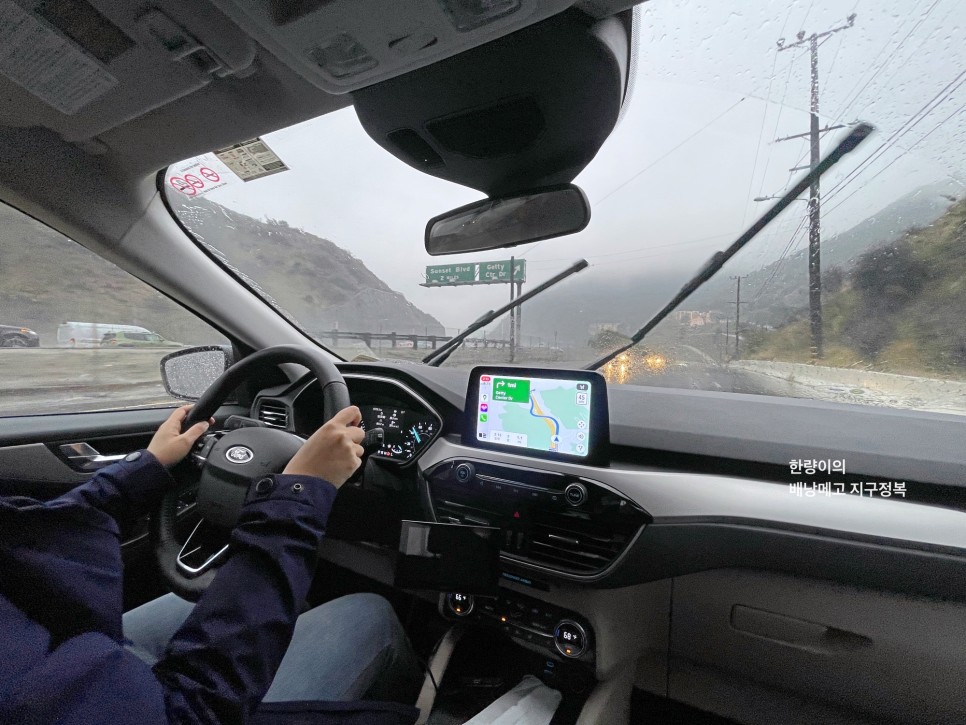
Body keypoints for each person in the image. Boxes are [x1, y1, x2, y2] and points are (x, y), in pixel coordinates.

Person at [0, 405, 424, 724]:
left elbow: (23, 539)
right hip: (146, 704)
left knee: (201, 598)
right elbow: (194, 710)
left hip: (68, 660)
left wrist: (139, 472)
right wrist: (299, 494)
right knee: (371, 616)